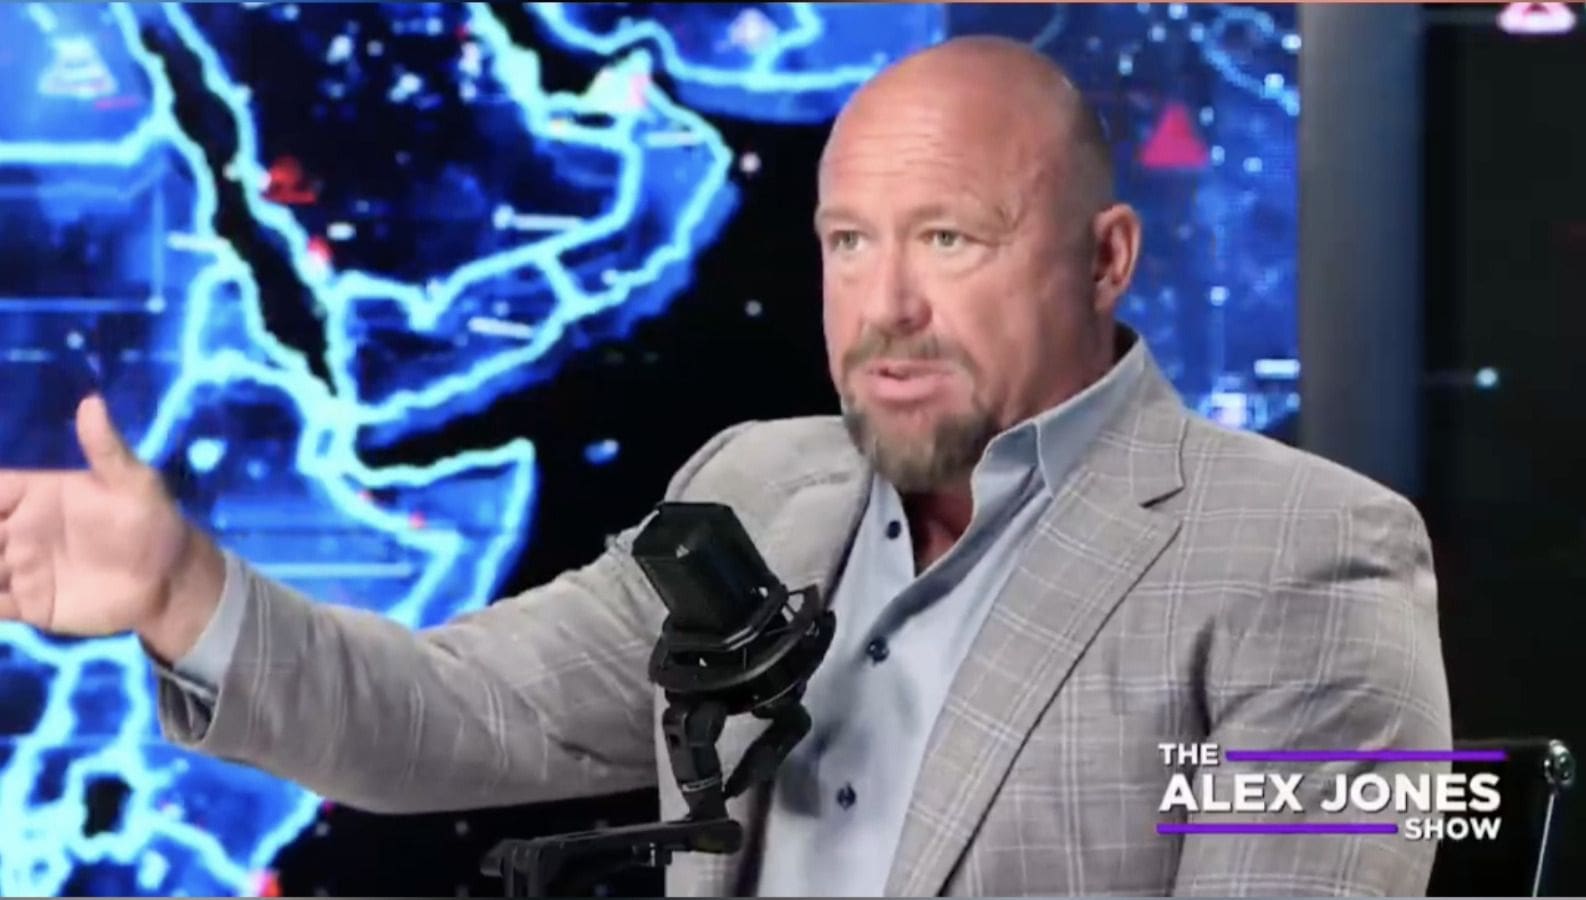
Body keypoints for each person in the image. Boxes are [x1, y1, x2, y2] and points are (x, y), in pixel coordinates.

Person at [0, 36, 1451, 897]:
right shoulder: (760, 494)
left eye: (949, 239)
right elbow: (450, 716)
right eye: (847, 243)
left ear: (1105, 259)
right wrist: (184, 592)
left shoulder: (1307, 559)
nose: (885, 305)